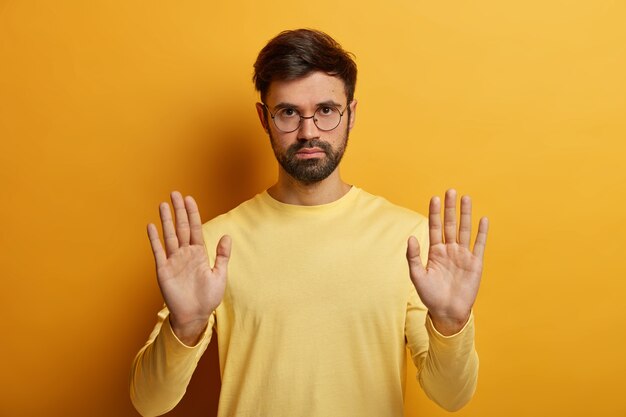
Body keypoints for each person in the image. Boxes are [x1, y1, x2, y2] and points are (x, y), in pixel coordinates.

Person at [130, 29, 489, 417]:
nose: (308, 132)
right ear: (264, 119)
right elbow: (148, 402)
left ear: (351, 114)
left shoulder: (411, 242)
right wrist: (186, 326)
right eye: (288, 112)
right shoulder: (215, 246)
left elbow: (452, 395)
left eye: (326, 110)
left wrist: (451, 324)